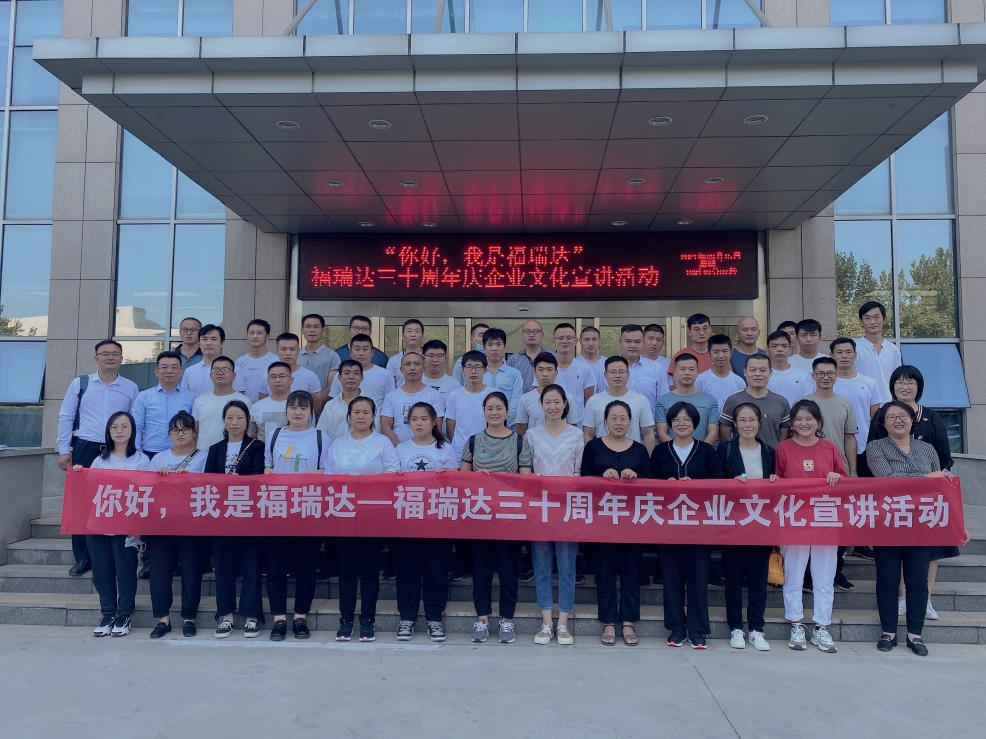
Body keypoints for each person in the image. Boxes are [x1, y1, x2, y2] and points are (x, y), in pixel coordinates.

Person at [867, 365, 956, 620]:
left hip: (926, 501)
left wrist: (938, 479)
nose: (905, 386)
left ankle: (925, 599)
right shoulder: (882, 418)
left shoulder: (931, 418)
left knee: (930, 550)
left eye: (910, 382)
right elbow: (878, 463)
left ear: (919, 386)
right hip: (894, 501)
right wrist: (925, 477)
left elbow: (942, 460)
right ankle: (903, 597)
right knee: (898, 550)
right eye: (900, 382)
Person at [57, 339, 140, 577]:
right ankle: (83, 557)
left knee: (115, 500)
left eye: (115, 354)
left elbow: (135, 421)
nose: (110, 357)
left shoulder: (131, 387)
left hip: (117, 450)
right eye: (104, 353)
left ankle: (112, 553)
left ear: (121, 359)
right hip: (85, 448)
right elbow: (66, 416)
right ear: (96, 358)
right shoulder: (80, 384)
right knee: (80, 504)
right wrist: (63, 450)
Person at [461, 392, 533, 644]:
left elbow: (525, 480)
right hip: (480, 516)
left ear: (506, 412)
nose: (494, 412)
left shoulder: (519, 442)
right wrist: (477, 478)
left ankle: (507, 619)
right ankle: (482, 618)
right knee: (480, 569)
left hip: (508, 517)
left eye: (498, 408)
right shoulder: (473, 441)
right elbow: (463, 479)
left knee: (508, 569)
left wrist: (504, 481)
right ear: (484, 411)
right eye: (490, 408)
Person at [650, 402, 724, 649]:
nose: (681, 424)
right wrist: (666, 484)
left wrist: (697, 485)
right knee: (671, 579)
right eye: (676, 420)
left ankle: (698, 629)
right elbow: (648, 484)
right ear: (670, 424)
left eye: (687, 420)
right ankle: (676, 628)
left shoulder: (707, 451)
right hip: (668, 525)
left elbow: (719, 484)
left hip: (699, 526)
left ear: (695, 423)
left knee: (698, 578)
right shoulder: (660, 452)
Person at [775, 399, 846, 654]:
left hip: (825, 519)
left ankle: (821, 626)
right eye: (799, 419)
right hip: (794, 519)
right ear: (792, 424)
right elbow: (776, 481)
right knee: (794, 574)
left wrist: (837, 477)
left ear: (819, 422)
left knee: (824, 577)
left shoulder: (829, 447)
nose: (804, 424)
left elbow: (845, 481)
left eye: (809, 419)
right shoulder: (783, 449)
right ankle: (796, 623)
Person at [328, 396, 399, 642]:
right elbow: (328, 477)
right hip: (344, 515)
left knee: (369, 571)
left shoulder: (382, 442)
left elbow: (393, 473)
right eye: (356, 412)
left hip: (372, 516)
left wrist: (368, 483)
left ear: (373, 416)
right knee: (346, 571)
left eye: (365, 412)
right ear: (349, 416)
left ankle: (368, 619)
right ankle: (346, 619)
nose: (360, 416)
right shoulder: (338, 444)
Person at [581, 400, 651, 647]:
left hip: (632, 522)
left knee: (632, 571)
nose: (618, 423)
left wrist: (637, 477)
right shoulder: (593, 447)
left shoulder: (639, 450)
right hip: (602, 521)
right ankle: (609, 621)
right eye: (614, 418)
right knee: (605, 571)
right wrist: (600, 477)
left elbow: (652, 484)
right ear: (605, 421)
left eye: (623, 418)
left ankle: (629, 621)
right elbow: (583, 480)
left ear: (630, 421)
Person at [264, 391, 330, 642]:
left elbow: (327, 471)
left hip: (307, 510)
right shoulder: (275, 435)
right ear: (286, 410)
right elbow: (267, 467)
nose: (298, 412)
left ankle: (300, 616)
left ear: (311, 412)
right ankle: (279, 618)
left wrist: (315, 477)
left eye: (303, 408)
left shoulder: (320, 437)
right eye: (293, 407)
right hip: (278, 510)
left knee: (306, 567)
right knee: (275, 568)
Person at [75, 411, 148, 638]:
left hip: (127, 527)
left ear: (133, 431)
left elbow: (146, 494)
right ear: (108, 431)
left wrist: (139, 528)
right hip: (99, 526)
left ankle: (124, 614)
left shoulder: (141, 460)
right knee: (102, 573)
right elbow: (90, 490)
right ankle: (107, 614)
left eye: (125, 426)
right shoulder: (100, 460)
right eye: (115, 427)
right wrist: (79, 473)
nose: (119, 431)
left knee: (125, 572)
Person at [394, 402, 457, 642]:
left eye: (423, 419)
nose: (418, 423)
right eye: (414, 419)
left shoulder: (446, 450)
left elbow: (455, 483)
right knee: (407, 571)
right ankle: (407, 618)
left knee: (436, 571)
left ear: (433, 422)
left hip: (437, 521)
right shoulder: (400, 449)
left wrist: (446, 477)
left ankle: (434, 618)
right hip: (407, 520)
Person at [526, 385, 584, 646]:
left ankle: (563, 622)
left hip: (567, 508)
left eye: (557, 402)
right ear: (541, 404)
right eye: (548, 402)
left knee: (567, 565)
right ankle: (546, 622)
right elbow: (526, 470)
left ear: (564, 404)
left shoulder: (576, 434)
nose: (552, 407)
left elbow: (579, 471)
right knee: (541, 563)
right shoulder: (531, 434)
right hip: (539, 507)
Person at [205, 400, 265, 639]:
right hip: (222, 517)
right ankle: (226, 615)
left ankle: (252, 616)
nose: (234, 422)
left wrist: (241, 481)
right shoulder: (215, 449)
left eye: (239, 417)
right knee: (223, 568)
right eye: (230, 417)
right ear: (224, 421)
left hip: (248, 515)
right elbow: (207, 481)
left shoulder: (256, 446)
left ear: (247, 420)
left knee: (251, 567)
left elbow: (259, 477)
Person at [718, 403, 776, 651]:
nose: (747, 425)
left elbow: (778, 483)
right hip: (733, 523)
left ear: (759, 424)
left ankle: (756, 628)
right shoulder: (725, 450)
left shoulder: (769, 452)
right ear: (734, 424)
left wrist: (775, 480)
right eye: (742, 420)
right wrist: (729, 482)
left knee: (758, 578)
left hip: (760, 523)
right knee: (732, 577)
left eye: (752, 420)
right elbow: (714, 482)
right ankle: (735, 627)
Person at [148, 411, 208, 639]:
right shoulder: (158, 458)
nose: (180, 434)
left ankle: (188, 618)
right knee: (160, 572)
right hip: (161, 524)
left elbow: (211, 486)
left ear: (194, 433)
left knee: (191, 571)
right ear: (169, 434)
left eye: (185, 429)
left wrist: (190, 478)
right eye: (175, 430)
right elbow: (146, 489)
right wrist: (160, 477)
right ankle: (162, 619)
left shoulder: (204, 457)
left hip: (191, 523)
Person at [831, 337, 888, 477]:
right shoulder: (826, 383)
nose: (844, 356)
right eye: (839, 352)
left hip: (864, 445)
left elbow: (875, 417)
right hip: (833, 444)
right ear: (831, 355)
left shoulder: (869, 382)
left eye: (848, 352)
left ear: (855, 355)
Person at [584, 356, 656, 452]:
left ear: (628, 374)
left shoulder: (641, 400)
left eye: (621, 372)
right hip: (601, 456)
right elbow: (588, 435)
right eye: (613, 372)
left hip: (633, 456)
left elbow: (648, 434)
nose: (617, 375)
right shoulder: (593, 401)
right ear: (605, 375)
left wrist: (649, 459)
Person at [132, 351, 194, 458]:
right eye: (164, 367)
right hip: (150, 453)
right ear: (157, 371)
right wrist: (137, 452)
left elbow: (194, 428)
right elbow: (136, 426)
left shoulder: (191, 397)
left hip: (182, 453)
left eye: (174, 367)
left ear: (181, 372)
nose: (169, 371)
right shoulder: (144, 396)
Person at [719, 355, 791, 447]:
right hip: (740, 454)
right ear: (744, 372)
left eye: (763, 370)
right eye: (753, 370)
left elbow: (784, 436)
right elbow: (725, 435)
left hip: (772, 455)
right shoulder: (733, 400)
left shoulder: (781, 401)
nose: (757, 374)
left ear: (771, 372)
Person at [381, 352, 445, 445]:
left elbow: (437, 427)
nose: (412, 368)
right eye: (408, 364)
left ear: (424, 368)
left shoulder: (434, 395)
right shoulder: (391, 396)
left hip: (426, 449)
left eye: (417, 364)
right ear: (401, 370)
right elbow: (385, 427)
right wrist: (400, 447)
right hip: (397, 449)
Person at [656, 354, 719, 444]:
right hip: (672, 451)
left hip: (702, 451)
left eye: (691, 369)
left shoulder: (710, 400)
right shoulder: (663, 400)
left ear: (697, 372)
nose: (687, 373)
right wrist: (677, 450)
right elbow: (661, 432)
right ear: (675, 372)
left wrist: (701, 450)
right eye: (682, 369)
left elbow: (713, 432)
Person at [192, 355, 251, 450]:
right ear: (210, 375)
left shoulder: (244, 401)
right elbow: (195, 430)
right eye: (216, 370)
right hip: (203, 453)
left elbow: (248, 431)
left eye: (225, 369)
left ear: (234, 375)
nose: (220, 373)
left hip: (233, 454)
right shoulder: (199, 400)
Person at [444, 351, 493, 461]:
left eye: (478, 367)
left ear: (485, 370)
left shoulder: (493, 395)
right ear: (462, 369)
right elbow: (450, 427)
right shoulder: (455, 395)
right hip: (459, 452)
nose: (473, 371)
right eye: (469, 367)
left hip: (487, 452)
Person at [328, 333, 396, 408]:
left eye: (365, 349)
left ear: (372, 352)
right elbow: (333, 402)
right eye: (357, 349)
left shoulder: (385, 375)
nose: (361, 353)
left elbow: (391, 403)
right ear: (350, 352)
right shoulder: (341, 375)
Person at [551, 323, 595, 427]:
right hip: (551, 424)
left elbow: (588, 403)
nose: (565, 341)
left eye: (569, 338)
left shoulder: (585, 368)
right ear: (554, 341)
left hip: (577, 426)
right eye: (560, 338)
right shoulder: (546, 368)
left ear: (575, 341)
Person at [619, 323, 670, 412]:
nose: (633, 345)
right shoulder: (608, 367)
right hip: (616, 420)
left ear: (643, 342)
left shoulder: (656, 368)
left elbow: (664, 402)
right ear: (620, 341)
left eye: (637, 342)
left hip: (649, 420)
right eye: (628, 341)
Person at [479, 328, 524, 427]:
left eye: (498, 344)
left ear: (505, 348)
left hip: (508, 427)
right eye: (490, 344)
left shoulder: (515, 374)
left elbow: (516, 401)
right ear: (484, 348)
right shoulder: (477, 373)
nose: (494, 348)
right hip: (480, 425)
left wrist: (501, 420)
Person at [855, 300, 902, 394]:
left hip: (888, 401)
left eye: (876, 317)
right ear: (861, 322)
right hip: (862, 400)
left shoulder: (893, 349)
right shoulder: (853, 348)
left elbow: (898, 379)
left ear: (884, 319)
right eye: (867, 318)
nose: (872, 322)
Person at [259, 333, 322, 403]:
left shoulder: (310, 376)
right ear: (277, 350)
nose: (288, 353)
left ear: (298, 351)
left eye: (292, 349)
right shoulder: (267, 377)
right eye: (283, 349)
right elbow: (263, 403)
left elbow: (316, 405)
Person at [316, 359, 363, 441]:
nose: (351, 377)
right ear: (339, 377)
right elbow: (321, 433)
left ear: (361, 377)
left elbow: (375, 431)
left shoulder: (370, 404)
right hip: (334, 448)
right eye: (347, 373)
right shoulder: (330, 405)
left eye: (356, 373)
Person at [765, 330, 815, 406]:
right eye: (774, 346)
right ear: (767, 350)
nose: (779, 350)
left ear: (790, 350)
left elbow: (809, 400)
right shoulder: (761, 375)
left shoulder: (803, 375)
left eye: (784, 346)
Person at [697, 334, 746, 411]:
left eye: (725, 351)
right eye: (716, 352)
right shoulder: (700, 380)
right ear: (709, 353)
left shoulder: (739, 382)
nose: (721, 356)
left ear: (731, 353)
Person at [298, 313, 341, 400]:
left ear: (323, 330)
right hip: (296, 404)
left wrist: (318, 403)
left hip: (322, 404)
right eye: (308, 326)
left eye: (316, 326)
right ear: (302, 330)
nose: (312, 330)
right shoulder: (295, 355)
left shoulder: (332, 356)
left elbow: (331, 386)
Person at [248, 361, 294, 444]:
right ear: (267, 380)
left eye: (282, 376)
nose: (277, 380)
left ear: (291, 380)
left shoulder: (302, 406)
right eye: (273, 377)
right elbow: (252, 435)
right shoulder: (256, 407)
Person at [234, 318, 278, 403]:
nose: (255, 336)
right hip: (244, 408)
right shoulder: (239, 362)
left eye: (259, 333)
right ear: (247, 336)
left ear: (267, 336)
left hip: (269, 407)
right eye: (251, 333)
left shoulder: (276, 361)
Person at [515, 352, 557, 435]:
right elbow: (521, 430)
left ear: (556, 373)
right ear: (534, 372)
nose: (545, 374)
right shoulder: (525, 399)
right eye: (541, 369)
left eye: (549, 370)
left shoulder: (567, 398)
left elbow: (571, 427)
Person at [180, 324, 226, 397]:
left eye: (214, 339)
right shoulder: (190, 371)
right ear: (199, 343)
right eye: (204, 339)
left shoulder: (234, 370)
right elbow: (184, 398)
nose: (209, 343)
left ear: (222, 343)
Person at [506, 319, 545, 391]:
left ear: (542, 335)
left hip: (547, 398)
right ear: (522, 335)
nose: (531, 335)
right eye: (527, 331)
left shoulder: (553, 357)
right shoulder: (513, 360)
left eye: (535, 331)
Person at [386, 318, 426, 386]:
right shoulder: (393, 361)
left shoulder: (429, 359)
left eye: (417, 331)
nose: (413, 334)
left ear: (422, 336)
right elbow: (389, 385)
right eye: (409, 331)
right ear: (403, 336)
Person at [421, 339, 461, 403]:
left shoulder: (454, 385)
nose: (435, 360)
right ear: (423, 358)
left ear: (445, 359)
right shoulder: (413, 382)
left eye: (439, 356)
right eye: (431, 355)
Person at [579, 325, 608, 393]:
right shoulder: (575, 363)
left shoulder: (608, 363)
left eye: (594, 339)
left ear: (599, 341)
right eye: (587, 339)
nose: (591, 343)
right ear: (580, 341)